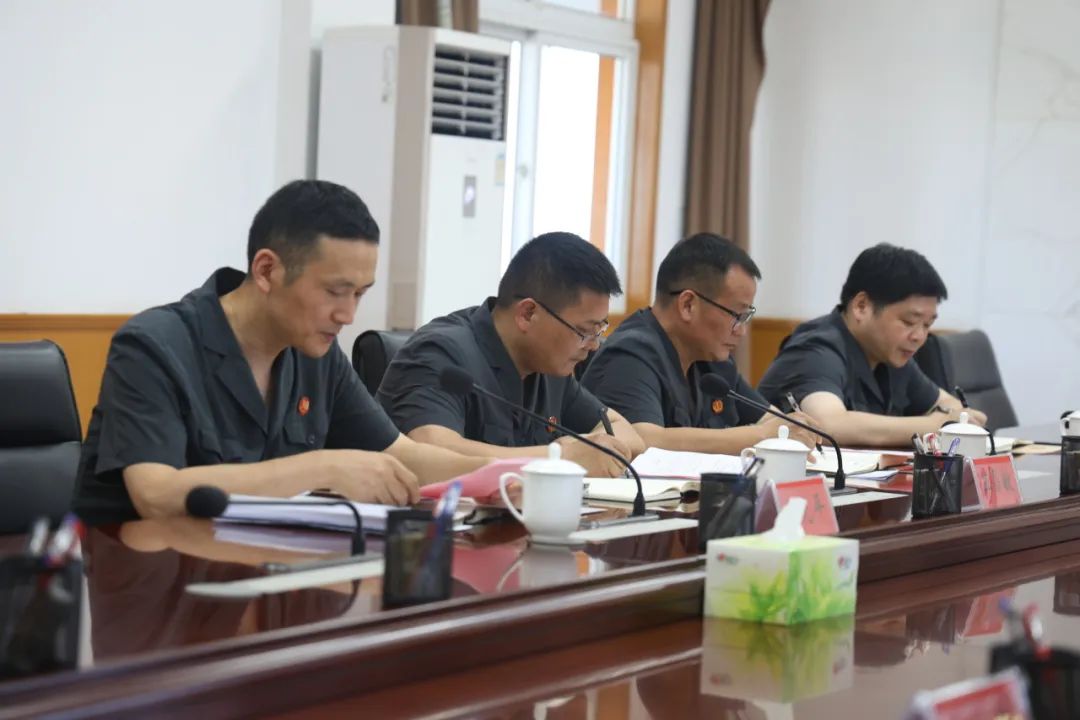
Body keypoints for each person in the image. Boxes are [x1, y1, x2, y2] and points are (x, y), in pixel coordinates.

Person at [74, 180, 487, 523]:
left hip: (265, 573)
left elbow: (402, 456)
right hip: (152, 580)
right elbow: (156, 493)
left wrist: (509, 476)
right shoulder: (154, 345)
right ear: (267, 270)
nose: (347, 315)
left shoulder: (317, 354)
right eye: (335, 291)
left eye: (360, 294)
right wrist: (322, 468)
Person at [376, 232, 645, 477]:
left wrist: (593, 449)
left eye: (599, 330)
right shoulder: (441, 354)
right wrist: (559, 457)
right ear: (527, 313)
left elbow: (626, 432)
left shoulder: (552, 368)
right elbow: (432, 449)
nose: (594, 345)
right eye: (584, 331)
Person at [581, 233, 820, 455]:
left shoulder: (713, 360)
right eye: (737, 315)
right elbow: (643, 440)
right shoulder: (630, 355)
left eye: (747, 317)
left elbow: (772, 421)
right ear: (688, 305)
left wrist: (794, 427)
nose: (742, 331)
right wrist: (761, 436)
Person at [758, 243, 987, 448]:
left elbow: (946, 404)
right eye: (909, 322)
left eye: (927, 325)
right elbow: (828, 425)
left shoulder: (892, 355)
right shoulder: (815, 349)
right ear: (861, 306)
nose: (919, 336)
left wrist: (957, 417)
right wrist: (940, 425)